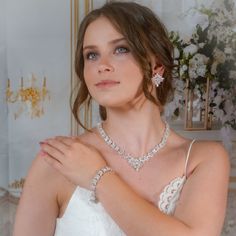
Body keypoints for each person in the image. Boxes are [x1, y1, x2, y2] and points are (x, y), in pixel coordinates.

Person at [13, 1, 230, 236]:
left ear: (157, 66)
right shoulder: (57, 161)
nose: (102, 65)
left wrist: (98, 176)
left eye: (120, 49)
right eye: (92, 55)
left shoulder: (202, 159)